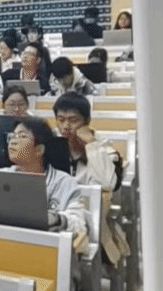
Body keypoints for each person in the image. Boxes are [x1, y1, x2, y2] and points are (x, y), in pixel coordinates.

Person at [54, 91, 129, 265]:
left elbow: (108, 184)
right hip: (58, 213)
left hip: (90, 220)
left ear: (86, 122)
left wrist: (92, 145)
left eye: (73, 120)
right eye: (61, 119)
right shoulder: (52, 148)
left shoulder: (105, 150)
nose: (66, 126)